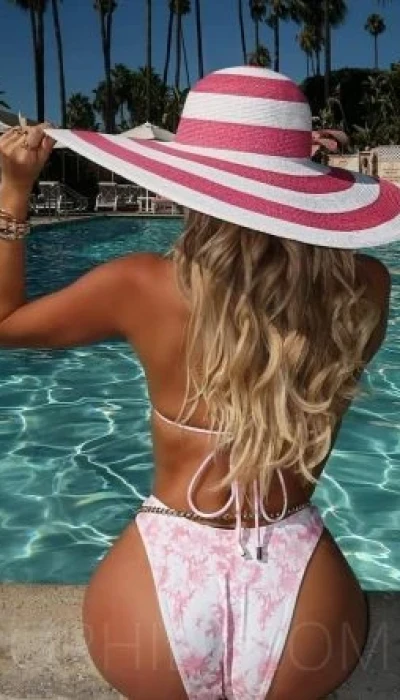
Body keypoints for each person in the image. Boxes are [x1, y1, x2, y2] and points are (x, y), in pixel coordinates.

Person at [0, 66, 395, 700]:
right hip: (302, 592)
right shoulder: (366, 288)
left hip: (159, 585)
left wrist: (14, 193)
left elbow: (5, 324)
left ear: (187, 180)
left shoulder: (139, 285)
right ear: (306, 183)